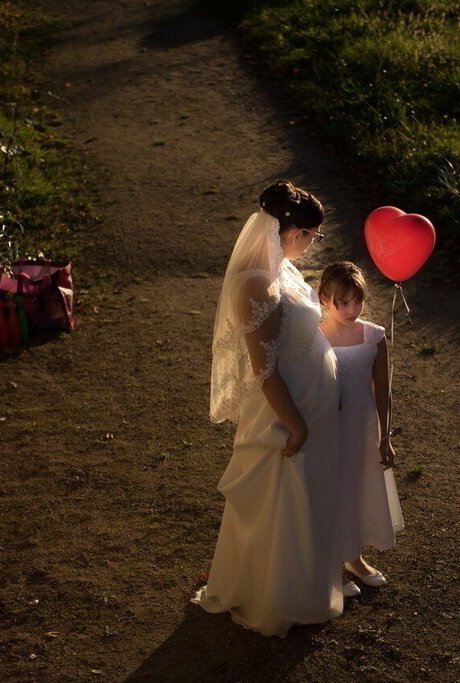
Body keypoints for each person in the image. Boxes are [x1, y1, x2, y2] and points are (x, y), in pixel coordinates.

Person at [192, 180, 343, 637]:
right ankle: (274, 598)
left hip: (308, 403)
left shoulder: (284, 269)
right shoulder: (256, 283)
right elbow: (263, 370)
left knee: (308, 500)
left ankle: (304, 585)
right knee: (284, 502)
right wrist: (294, 424)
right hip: (284, 412)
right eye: (313, 235)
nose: (315, 243)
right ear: (291, 230)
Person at [316, 261, 404, 597]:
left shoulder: (374, 336)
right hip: (330, 428)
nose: (352, 309)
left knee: (355, 487)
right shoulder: (316, 338)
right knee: (331, 489)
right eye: (343, 302)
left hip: (363, 426)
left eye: (358, 301)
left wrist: (385, 435)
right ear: (326, 299)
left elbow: (382, 387)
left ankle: (352, 556)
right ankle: (328, 562)